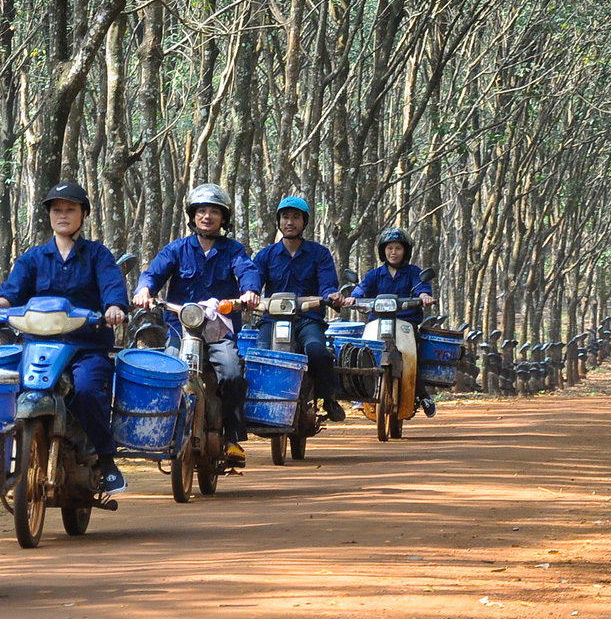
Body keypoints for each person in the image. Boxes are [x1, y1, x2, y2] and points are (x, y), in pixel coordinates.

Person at [0, 182, 130, 494]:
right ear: (49, 215)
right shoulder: (33, 258)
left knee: (88, 390)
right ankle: (2, 463)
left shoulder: (98, 255)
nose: (63, 215)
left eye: (70, 209)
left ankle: (106, 460)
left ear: (83, 214)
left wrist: (114, 307)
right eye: (57, 209)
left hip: (86, 346)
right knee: (9, 393)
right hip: (38, 346)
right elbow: (12, 291)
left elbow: (112, 287)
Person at [133, 184, 250, 445]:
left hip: (219, 330)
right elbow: (153, 273)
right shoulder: (177, 249)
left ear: (223, 219)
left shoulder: (233, 251)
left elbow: (247, 272)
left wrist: (250, 292)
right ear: (193, 216)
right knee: (168, 374)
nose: (207, 216)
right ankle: (162, 434)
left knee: (232, 373)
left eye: (214, 212)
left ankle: (233, 438)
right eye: (201, 211)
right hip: (180, 329)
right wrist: (144, 290)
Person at [239, 194, 347, 423]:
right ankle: (253, 405)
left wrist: (331, 295)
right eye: (285, 217)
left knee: (318, 351)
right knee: (259, 354)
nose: (290, 222)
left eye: (296, 217)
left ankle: (328, 398)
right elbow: (253, 282)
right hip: (272, 320)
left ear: (304, 222)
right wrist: (249, 294)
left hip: (308, 320)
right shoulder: (266, 255)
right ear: (278, 221)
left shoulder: (319, 253)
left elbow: (328, 283)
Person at [351, 225, 438, 417]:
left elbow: (421, 287)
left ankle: (423, 394)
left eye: (398, 248)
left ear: (405, 251)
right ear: (383, 251)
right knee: (363, 352)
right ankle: (361, 393)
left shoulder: (413, 272)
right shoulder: (374, 274)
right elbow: (362, 288)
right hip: (377, 324)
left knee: (413, 357)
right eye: (389, 248)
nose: (393, 252)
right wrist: (353, 297)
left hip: (406, 325)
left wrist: (424, 295)